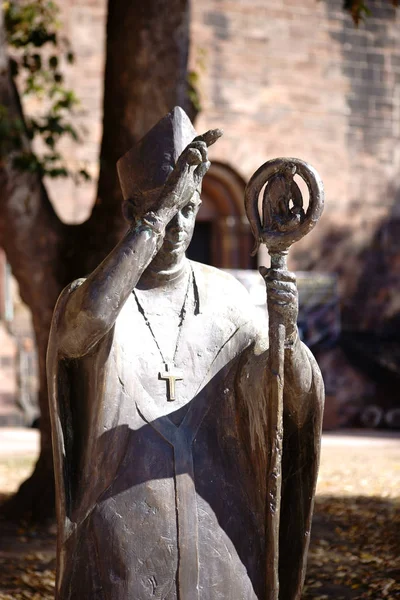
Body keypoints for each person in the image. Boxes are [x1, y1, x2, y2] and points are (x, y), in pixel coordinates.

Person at [47, 107, 324, 600]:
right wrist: (159, 214)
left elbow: (281, 395)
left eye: (187, 209)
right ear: (134, 212)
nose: (176, 226)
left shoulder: (230, 299)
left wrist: (287, 340)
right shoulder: (95, 297)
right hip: (117, 551)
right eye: (160, 210)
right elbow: (82, 330)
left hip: (221, 539)